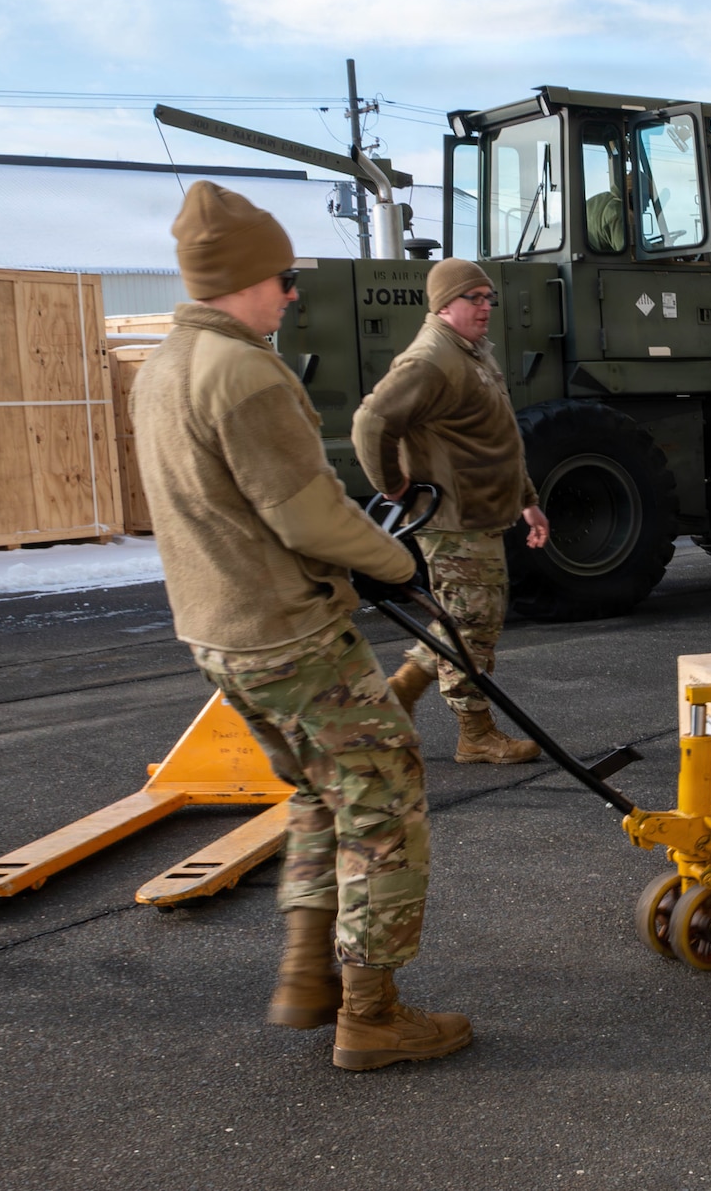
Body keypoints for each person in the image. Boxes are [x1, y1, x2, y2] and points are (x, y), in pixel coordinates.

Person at [131, 180, 469, 1071]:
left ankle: (307, 974)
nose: (290, 293)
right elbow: (306, 514)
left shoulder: (164, 367)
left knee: (324, 791)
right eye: (281, 277)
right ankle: (373, 1013)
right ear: (241, 279)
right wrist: (403, 564)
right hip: (288, 632)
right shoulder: (242, 371)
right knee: (386, 799)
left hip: (217, 634)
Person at [352, 258, 552, 765]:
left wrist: (527, 501)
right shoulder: (430, 359)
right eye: (474, 299)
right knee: (472, 628)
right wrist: (392, 485)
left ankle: (402, 693)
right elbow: (372, 422)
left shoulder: (472, 352)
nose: (486, 308)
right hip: (454, 520)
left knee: (468, 622)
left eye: (489, 298)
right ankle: (475, 733)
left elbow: (498, 437)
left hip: (484, 511)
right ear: (445, 304)